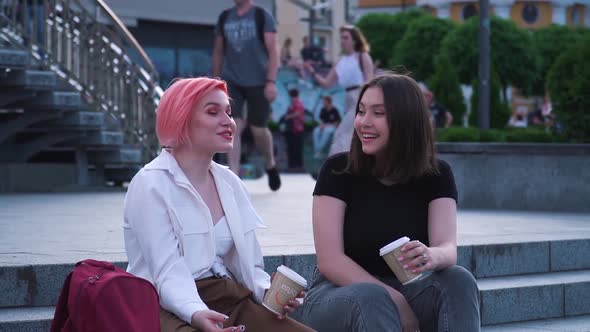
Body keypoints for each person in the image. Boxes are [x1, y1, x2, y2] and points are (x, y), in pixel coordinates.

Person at [123, 78, 314, 332]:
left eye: (229, 112)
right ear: (181, 118)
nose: (228, 121)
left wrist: (269, 292)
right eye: (213, 112)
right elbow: (167, 272)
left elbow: (247, 264)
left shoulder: (230, 183)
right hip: (164, 305)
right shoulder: (150, 184)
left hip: (229, 298)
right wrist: (196, 311)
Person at [293, 74, 481, 331]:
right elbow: (330, 261)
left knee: (459, 279)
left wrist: (430, 255)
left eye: (378, 113)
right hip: (335, 293)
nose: (364, 123)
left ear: (406, 120)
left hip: (407, 287)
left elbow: (447, 248)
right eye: (361, 111)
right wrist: (396, 301)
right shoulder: (338, 170)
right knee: (373, 297)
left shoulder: (436, 174)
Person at [212, 0, 281, 191]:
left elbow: (273, 51)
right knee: (232, 124)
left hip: (259, 80)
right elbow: (218, 52)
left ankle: (270, 164)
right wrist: (216, 82)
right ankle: (234, 175)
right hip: (232, 79)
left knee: (258, 129)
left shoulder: (261, 16)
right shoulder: (225, 17)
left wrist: (271, 81)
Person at [305, 25, 374, 156]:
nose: (342, 40)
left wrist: (365, 101)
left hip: (360, 96)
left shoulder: (362, 56)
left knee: (342, 132)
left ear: (354, 40)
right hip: (347, 97)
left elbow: (369, 80)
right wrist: (312, 72)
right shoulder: (340, 62)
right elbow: (326, 84)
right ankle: (350, 164)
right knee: (352, 134)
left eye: (346, 37)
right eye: (341, 38)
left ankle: (335, 164)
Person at [280, 89, 306, 171]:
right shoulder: (292, 104)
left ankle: (298, 166)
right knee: (291, 148)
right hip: (291, 130)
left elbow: (298, 113)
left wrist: (288, 117)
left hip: (297, 130)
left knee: (297, 148)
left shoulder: (298, 103)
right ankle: (291, 165)